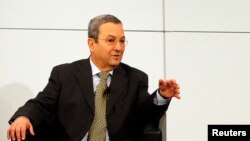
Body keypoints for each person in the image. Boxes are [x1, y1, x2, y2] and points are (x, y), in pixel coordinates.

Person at [7, 14, 181, 141]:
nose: (119, 47)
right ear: (92, 43)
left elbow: (146, 114)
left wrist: (161, 96)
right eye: (111, 40)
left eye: (122, 41)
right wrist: (24, 117)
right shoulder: (64, 74)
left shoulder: (135, 78)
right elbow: (41, 104)